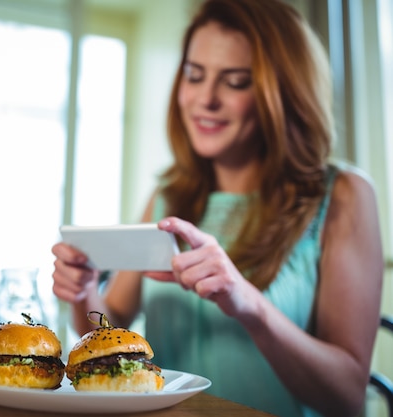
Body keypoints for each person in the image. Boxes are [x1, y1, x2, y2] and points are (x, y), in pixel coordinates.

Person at [51, 0, 384, 416]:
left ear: (282, 91)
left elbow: (347, 396)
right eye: (194, 75)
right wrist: (83, 295)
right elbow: (107, 328)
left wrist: (248, 303)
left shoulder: (344, 196)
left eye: (236, 81)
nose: (205, 99)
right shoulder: (167, 197)